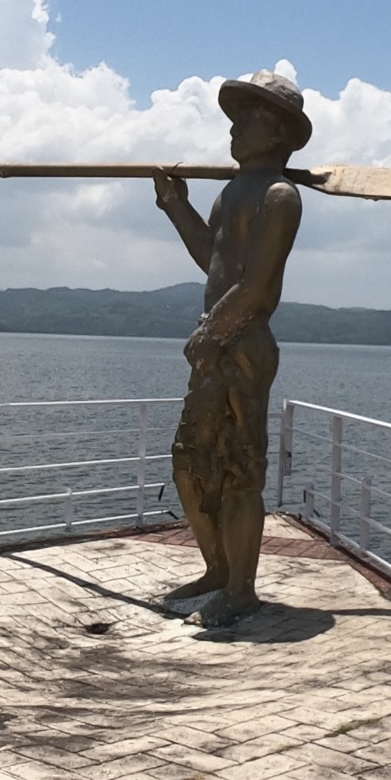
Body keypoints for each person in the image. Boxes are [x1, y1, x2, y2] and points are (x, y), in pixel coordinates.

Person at [152, 70, 311, 626]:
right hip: (213, 343)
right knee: (190, 462)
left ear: (280, 135)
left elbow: (259, 286)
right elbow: (214, 260)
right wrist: (176, 206)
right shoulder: (230, 192)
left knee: (242, 468)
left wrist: (212, 332)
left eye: (249, 119)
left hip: (242, 344)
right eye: (235, 118)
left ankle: (241, 588)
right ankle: (218, 569)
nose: (235, 128)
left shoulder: (279, 196)